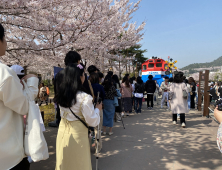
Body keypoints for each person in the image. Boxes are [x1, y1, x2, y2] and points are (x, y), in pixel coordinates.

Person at [54, 64, 102, 170]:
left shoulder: (61, 95)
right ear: (80, 78)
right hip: (78, 135)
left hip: (62, 133)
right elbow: (92, 121)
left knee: (64, 161)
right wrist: (98, 109)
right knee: (79, 162)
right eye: (83, 74)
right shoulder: (84, 98)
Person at [0, 23, 31, 170]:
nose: (6, 43)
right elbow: (24, 107)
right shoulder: (4, 73)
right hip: (9, 156)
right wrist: (30, 85)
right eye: (4, 38)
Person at [54, 51, 82, 126]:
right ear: (77, 61)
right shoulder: (80, 74)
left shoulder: (59, 74)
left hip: (63, 107)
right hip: (77, 108)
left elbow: (56, 91)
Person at [88, 72, 105, 152]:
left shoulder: (87, 87)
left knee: (87, 129)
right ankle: (98, 147)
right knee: (97, 129)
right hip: (98, 107)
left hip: (88, 108)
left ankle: (87, 147)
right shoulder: (100, 87)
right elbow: (104, 96)